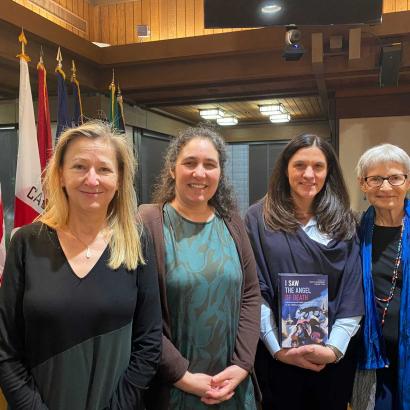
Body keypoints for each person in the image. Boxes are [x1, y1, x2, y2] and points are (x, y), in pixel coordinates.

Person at [0, 121, 162, 409]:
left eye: (104, 169)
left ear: (120, 178)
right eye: (79, 167)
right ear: (60, 174)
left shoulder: (138, 242)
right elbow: (6, 349)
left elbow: (148, 344)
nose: (92, 179)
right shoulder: (24, 243)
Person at [139, 126, 260, 410]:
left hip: (233, 387)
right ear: (172, 169)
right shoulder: (148, 223)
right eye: (190, 163)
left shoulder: (231, 222)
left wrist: (242, 365)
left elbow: (251, 294)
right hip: (174, 387)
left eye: (210, 165)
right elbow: (140, 314)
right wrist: (182, 375)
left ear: (220, 172)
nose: (200, 173)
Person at [245, 134, 364, 410]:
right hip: (277, 361)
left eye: (318, 166)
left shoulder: (345, 221)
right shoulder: (257, 220)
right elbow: (254, 288)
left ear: (328, 172)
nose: (308, 174)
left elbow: (352, 290)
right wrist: (277, 349)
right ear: (285, 169)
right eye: (299, 165)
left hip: (332, 362)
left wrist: (333, 350)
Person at [352, 143, 410, 410]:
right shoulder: (352, 232)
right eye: (375, 178)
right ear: (362, 184)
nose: (385, 187)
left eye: (395, 177)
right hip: (370, 355)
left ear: (408, 182)